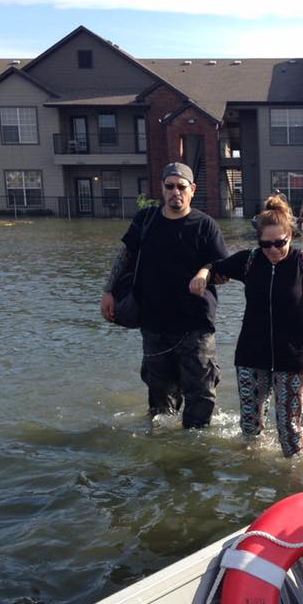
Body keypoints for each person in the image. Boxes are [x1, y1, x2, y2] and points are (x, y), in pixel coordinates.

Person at [192, 194, 303, 457]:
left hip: (293, 355)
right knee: (249, 429)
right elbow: (215, 266)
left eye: (280, 243)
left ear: (291, 234)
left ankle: (293, 480)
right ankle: (254, 478)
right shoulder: (250, 260)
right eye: (266, 244)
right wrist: (202, 274)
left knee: (289, 432)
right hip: (251, 354)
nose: (274, 250)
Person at [100, 162, 228, 428]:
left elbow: (223, 269)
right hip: (154, 326)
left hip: (196, 328)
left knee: (200, 401)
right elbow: (125, 256)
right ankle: (163, 458)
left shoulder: (206, 226)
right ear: (161, 188)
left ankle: (195, 456)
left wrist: (204, 272)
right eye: (169, 186)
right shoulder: (145, 220)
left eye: (181, 187)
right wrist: (108, 291)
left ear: (192, 189)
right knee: (160, 408)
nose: (175, 192)